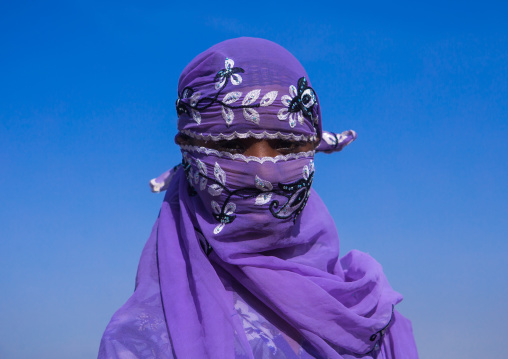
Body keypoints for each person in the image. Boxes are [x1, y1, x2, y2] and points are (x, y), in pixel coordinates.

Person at [98, 37, 418, 359]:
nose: (264, 174)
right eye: (233, 146)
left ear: (310, 147)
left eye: (286, 144)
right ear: (187, 148)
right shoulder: (140, 342)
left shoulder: (371, 318)